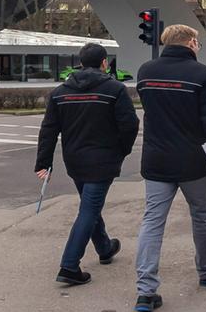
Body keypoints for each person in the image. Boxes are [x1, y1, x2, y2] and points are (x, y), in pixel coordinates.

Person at [132, 23, 206, 312]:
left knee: (152, 221)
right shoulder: (203, 75)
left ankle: (145, 291)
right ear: (191, 42)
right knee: (201, 215)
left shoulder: (146, 72)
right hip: (195, 161)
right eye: (199, 43)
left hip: (156, 160)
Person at [34, 42, 139, 286]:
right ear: (104, 63)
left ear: (81, 63)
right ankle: (69, 266)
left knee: (89, 205)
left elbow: (48, 130)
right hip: (103, 160)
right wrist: (122, 150)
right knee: (89, 209)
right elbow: (129, 125)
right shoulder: (115, 90)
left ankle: (104, 247)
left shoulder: (60, 92)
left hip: (75, 160)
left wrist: (44, 163)